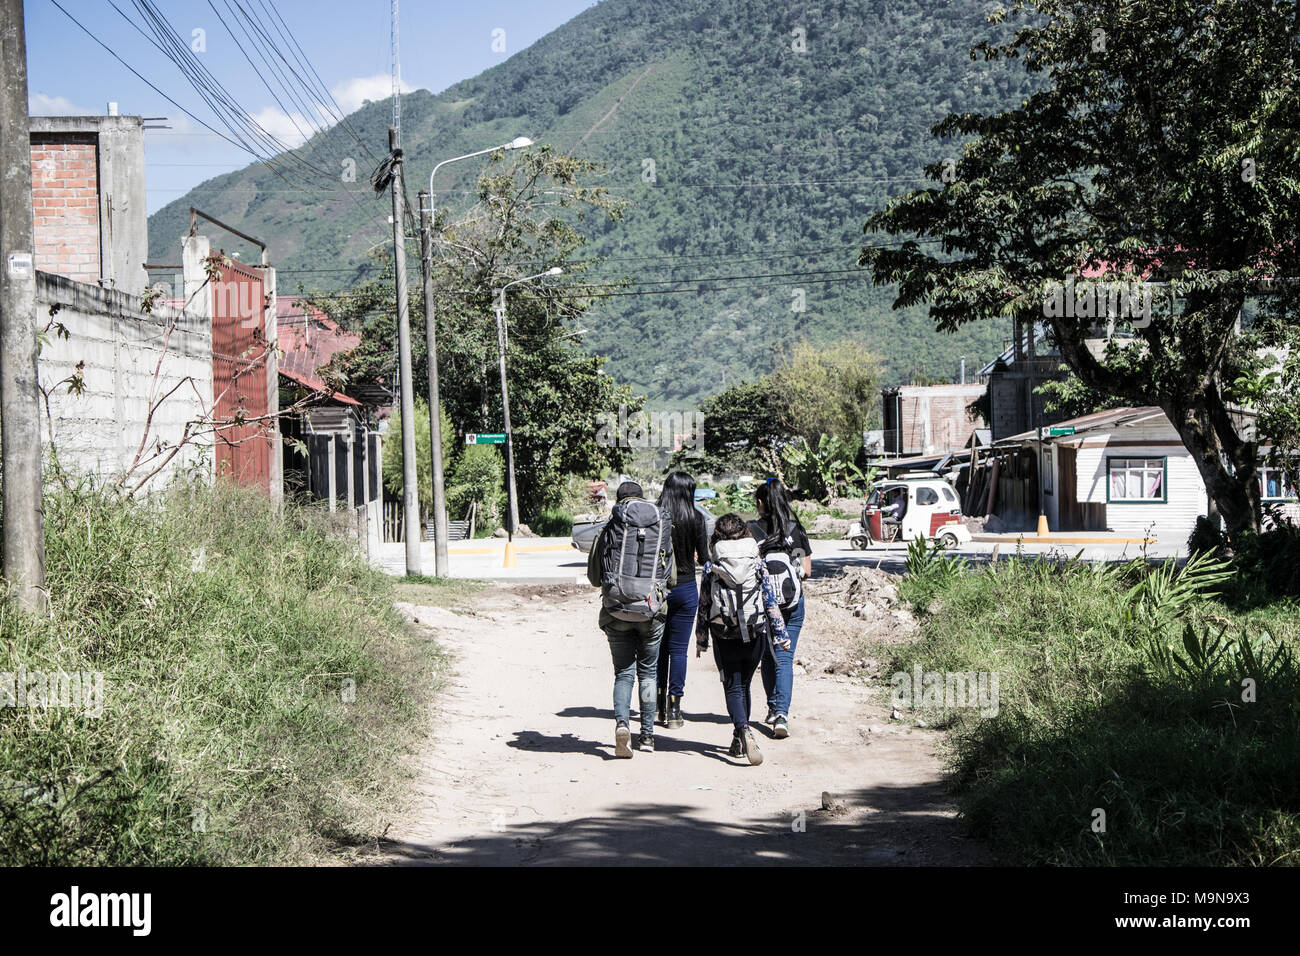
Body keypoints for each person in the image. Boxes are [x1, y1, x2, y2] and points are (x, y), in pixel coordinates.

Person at [587, 480, 675, 756]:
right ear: (642, 499)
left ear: (619, 501)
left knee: (623, 673)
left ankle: (622, 725)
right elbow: (670, 578)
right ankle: (647, 737)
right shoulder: (659, 529)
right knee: (648, 673)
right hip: (651, 611)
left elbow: (593, 578)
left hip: (616, 609)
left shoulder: (610, 528)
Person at [695, 513, 791, 766]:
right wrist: (781, 634)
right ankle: (740, 735)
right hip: (754, 628)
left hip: (723, 631)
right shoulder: (757, 562)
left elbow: (704, 603)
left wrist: (701, 639)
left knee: (732, 685)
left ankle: (743, 730)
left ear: (717, 535)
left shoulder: (712, 563)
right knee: (745, 684)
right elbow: (770, 600)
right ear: (745, 532)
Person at [749, 479, 812, 740]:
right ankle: (782, 715)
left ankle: (773, 708)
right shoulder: (795, 529)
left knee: (767, 657)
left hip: (763, 605)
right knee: (785, 657)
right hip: (793, 604)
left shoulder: (752, 530)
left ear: (761, 503)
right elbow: (806, 571)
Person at [656, 472, 710, 729]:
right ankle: (674, 710)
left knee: (658, 649)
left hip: (658, 589)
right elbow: (703, 559)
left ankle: (656, 707)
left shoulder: (656, 515)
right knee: (678, 650)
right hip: (686, 588)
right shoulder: (696, 518)